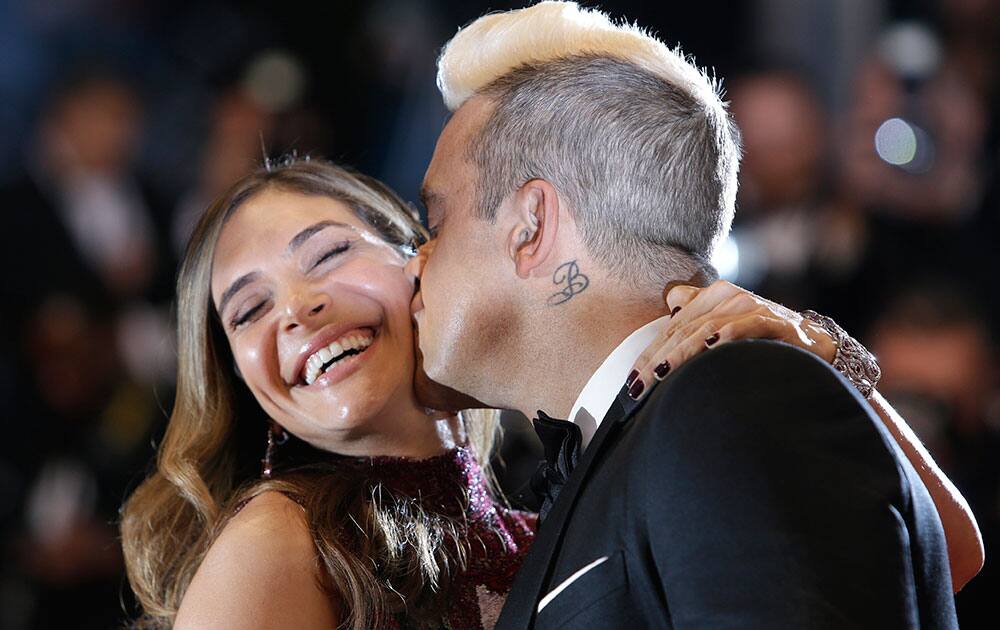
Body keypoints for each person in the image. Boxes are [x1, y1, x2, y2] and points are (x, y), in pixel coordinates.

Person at [119, 157, 973, 629]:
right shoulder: (278, 541)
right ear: (242, 381)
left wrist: (808, 346)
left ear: (420, 261)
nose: (299, 309)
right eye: (249, 310)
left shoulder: (552, 516)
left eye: (329, 255)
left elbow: (944, 552)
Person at [407, 2, 976, 627]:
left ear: (530, 226)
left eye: (437, 222)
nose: (417, 262)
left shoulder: (727, 402)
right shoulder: (643, 439)